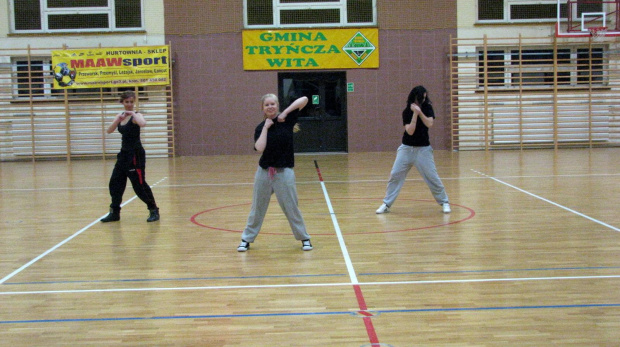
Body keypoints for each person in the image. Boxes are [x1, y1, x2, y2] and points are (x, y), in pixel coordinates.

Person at [237, 94, 312, 252]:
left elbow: (304, 99)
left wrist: (285, 113)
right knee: (257, 208)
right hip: (264, 173)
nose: (270, 107)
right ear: (262, 108)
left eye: (273, 104)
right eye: (267, 105)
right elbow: (259, 148)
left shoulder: (287, 120)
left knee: (291, 207)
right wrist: (266, 127)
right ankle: (246, 239)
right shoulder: (260, 127)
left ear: (277, 105)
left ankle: (304, 238)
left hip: (284, 173)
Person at [376, 85, 451, 214]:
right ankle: (386, 204)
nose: (424, 98)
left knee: (432, 177)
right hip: (406, 149)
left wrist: (419, 112)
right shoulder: (406, 111)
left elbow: (429, 123)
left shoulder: (427, 108)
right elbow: (410, 131)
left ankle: (444, 202)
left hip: (423, 150)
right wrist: (414, 114)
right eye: (422, 96)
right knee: (395, 175)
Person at [100, 90, 160, 223]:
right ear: (122, 102)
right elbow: (109, 130)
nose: (129, 104)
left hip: (135, 155)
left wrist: (133, 113)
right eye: (127, 102)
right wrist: (117, 120)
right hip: (123, 155)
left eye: (131, 102)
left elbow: (143, 123)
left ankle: (153, 209)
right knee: (115, 183)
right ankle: (114, 212)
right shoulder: (120, 116)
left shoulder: (136, 115)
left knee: (139, 185)